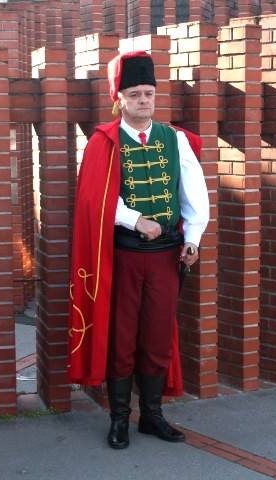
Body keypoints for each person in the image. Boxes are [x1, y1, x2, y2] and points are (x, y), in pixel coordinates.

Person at [67, 50, 210, 450]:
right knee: (123, 338)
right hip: (124, 257)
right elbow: (94, 198)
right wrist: (135, 220)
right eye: (134, 94)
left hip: (166, 257)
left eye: (148, 93)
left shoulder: (174, 139)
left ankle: (151, 415)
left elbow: (194, 193)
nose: (143, 100)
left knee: (158, 336)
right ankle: (119, 419)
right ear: (120, 99)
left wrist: (193, 238)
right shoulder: (104, 142)